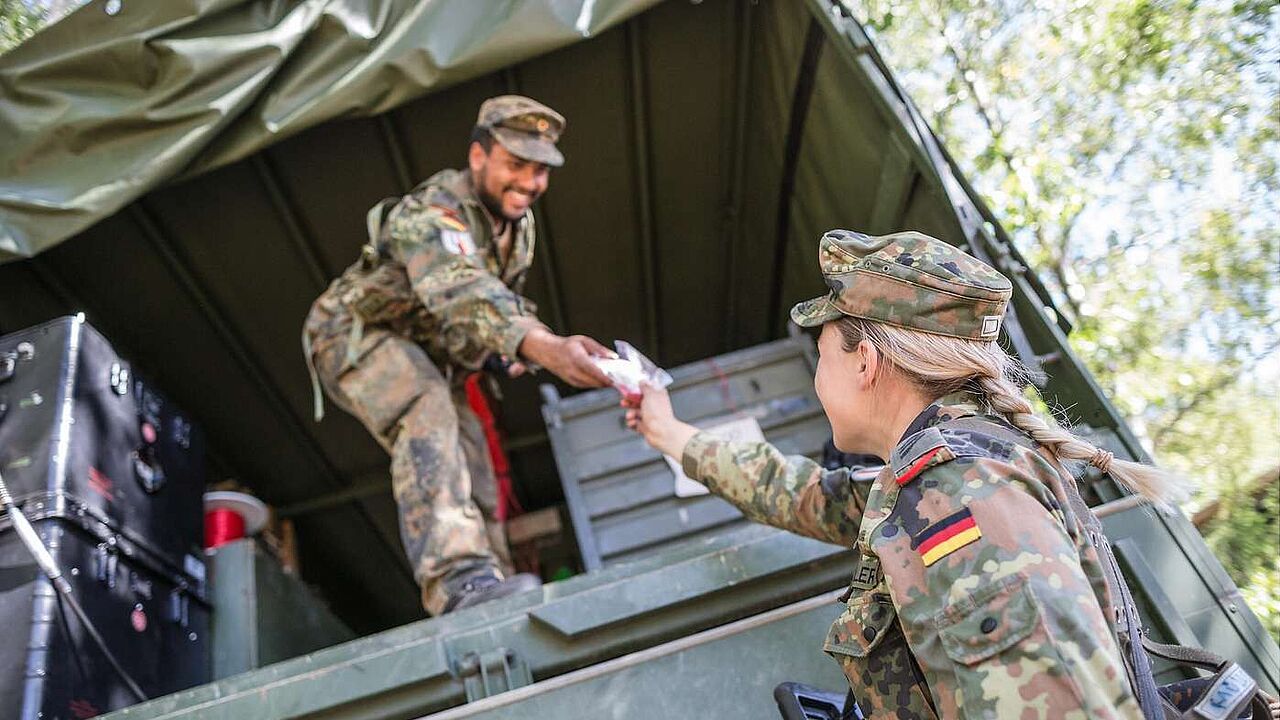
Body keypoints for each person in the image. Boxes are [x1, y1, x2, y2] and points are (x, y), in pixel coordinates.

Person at [624, 229, 1184, 718]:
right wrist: (667, 432)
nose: (819, 379)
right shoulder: (930, 479)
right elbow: (799, 494)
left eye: (823, 354)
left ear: (865, 360)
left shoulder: (962, 493)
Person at [303, 95, 612, 616]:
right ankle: (457, 584)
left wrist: (498, 357)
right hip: (351, 334)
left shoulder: (518, 229)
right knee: (427, 406)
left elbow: (472, 317)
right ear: (477, 157)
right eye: (516, 165)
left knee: (472, 455)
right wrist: (545, 345)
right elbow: (460, 290)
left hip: (429, 352)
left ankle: (493, 588)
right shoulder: (430, 213)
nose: (530, 183)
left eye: (541, 171)